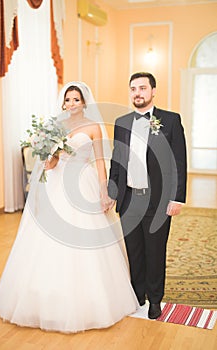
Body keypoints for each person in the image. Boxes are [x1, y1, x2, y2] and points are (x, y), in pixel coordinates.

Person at [0, 82, 139, 333]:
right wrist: (49, 160)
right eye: (67, 100)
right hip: (56, 184)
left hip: (83, 183)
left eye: (76, 100)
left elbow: (101, 160)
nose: (71, 104)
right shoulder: (54, 126)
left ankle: (89, 300)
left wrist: (104, 190)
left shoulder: (94, 127)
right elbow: (50, 160)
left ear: (84, 102)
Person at [108, 72, 187, 319]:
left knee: (155, 252)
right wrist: (113, 192)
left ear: (153, 91)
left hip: (158, 199)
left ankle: (154, 300)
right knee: (135, 251)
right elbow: (117, 160)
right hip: (130, 199)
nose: (137, 93)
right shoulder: (121, 122)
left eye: (142, 88)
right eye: (133, 89)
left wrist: (177, 197)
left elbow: (179, 161)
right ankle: (136, 295)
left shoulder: (171, 120)